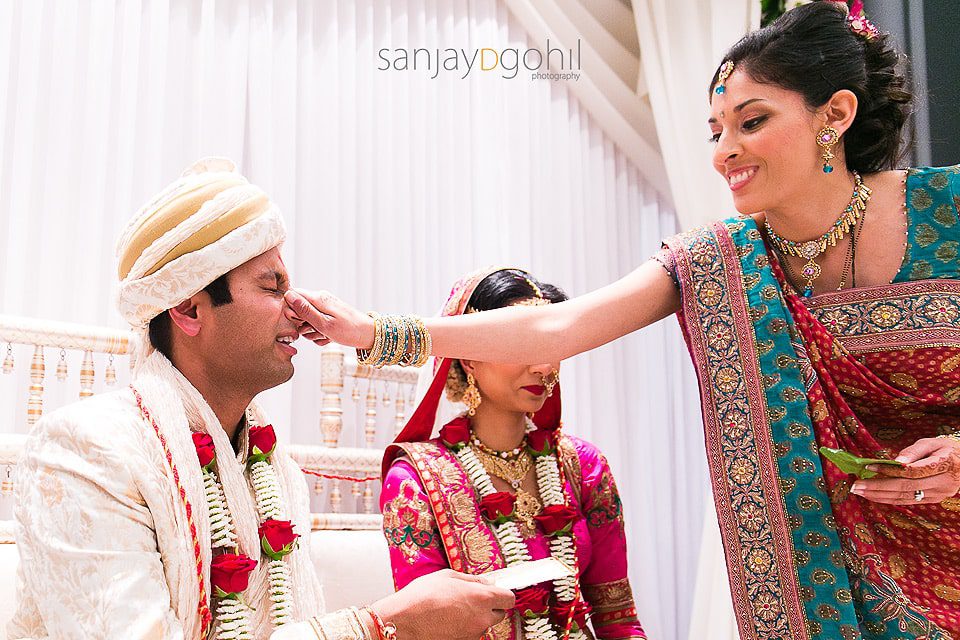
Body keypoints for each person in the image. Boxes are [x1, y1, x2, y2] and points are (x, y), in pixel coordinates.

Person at [285, 3, 960, 638]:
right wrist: (375, 333)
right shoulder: (721, 258)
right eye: (716, 131)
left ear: (835, 114)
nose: (724, 152)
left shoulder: (949, 211)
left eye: (751, 122)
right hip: (834, 593)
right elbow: (557, 328)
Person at [8, 158, 514, 640]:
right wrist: (383, 626)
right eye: (273, 287)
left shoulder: (274, 470)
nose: (299, 309)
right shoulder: (84, 453)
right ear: (189, 310)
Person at [378, 268, 646, 640]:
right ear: (469, 356)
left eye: (551, 344)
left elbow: (617, 618)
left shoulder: (584, 466)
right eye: (522, 343)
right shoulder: (415, 481)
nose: (544, 366)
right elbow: (423, 628)